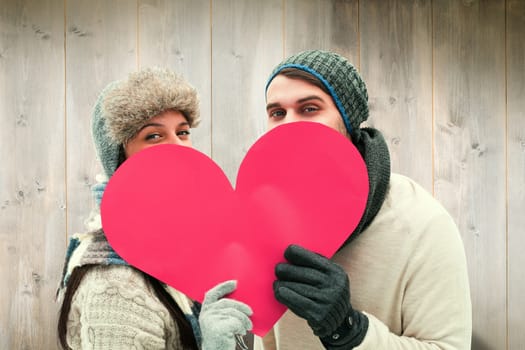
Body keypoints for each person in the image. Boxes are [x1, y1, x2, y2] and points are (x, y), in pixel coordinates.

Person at [257, 50, 472, 349]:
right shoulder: (267, 220)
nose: (290, 126)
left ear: (348, 121)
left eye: (309, 108)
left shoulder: (423, 224)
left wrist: (349, 331)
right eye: (277, 113)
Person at [56, 67, 252, 350]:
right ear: (121, 161)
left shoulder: (191, 252)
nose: (179, 147)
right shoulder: (116, 286)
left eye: (182, 132)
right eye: (154, 136)